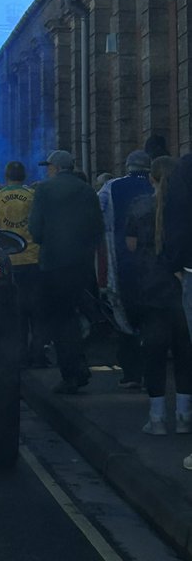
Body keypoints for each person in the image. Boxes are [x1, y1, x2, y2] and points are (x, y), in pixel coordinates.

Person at [123, 155, 192, 435]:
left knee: (153, 353)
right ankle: (185, 416)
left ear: (151, 177)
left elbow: (130, 247)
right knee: (185, 352)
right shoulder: (183, 208)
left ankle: (157, 418)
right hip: (181, 284)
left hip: (150, 288)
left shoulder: (139, 206)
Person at [28, 149, 104, 395]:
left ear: (57, 167)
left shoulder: (44, 190)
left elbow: (35, 230)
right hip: (81, 264)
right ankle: (78, 367)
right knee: (72, 315)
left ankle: (72, 373)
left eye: (48, 166)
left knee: (60, 320)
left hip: (53, 264)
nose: (47, 170)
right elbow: (97, 228)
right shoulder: (87, 190)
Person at [99, 150, 154, 390]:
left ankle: (131, 373)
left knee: (125, 318)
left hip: (120, 261)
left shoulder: (111, 187)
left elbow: (97, 216)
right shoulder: (159, 187)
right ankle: (153, 373)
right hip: (156, 265)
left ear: (127, 166)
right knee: (154, 319)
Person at [0, 161, 44, 366]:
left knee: (16, 313)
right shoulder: (33, 197)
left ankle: (19, 356)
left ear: (6, 175)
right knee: (36, 311)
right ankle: (38, 354)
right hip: (34, 259)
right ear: (24, 175)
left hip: (9, 262)